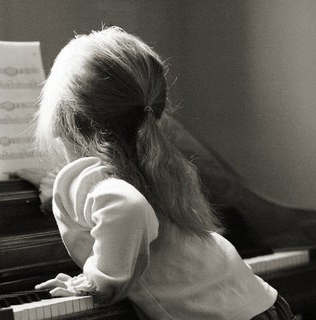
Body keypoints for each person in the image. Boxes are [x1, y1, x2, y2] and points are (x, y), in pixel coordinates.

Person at [18, 27, 296, 320]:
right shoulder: (152, 164)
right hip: (258, 305)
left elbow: (128, 207)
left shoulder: (100, 183)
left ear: (65, 123)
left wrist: (94, 283)